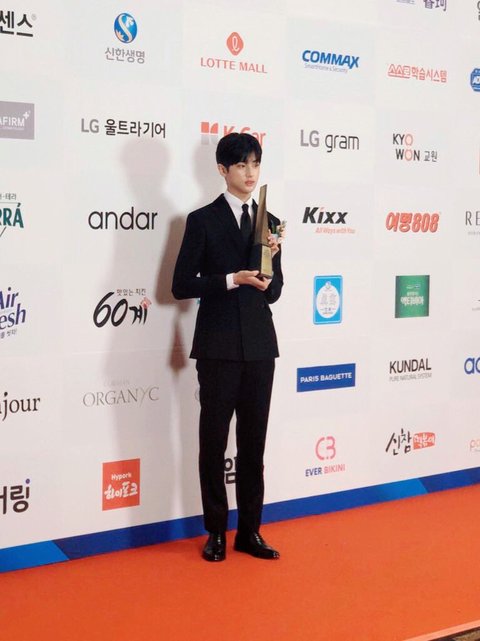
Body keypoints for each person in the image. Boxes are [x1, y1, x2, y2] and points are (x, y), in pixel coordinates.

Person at [172, 132, 283, 562]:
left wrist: (268, 273)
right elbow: (181, 285)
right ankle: (216, 531)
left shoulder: (270, 221)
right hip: (217, 347)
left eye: (255, 164)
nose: (250, 173)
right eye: (241, 165)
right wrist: (231, 279)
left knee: (254, 445)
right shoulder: (202, 220)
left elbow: (275, 292)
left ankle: (250, 531)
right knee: (214, 444)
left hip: (260, 347)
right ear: (223, 170)